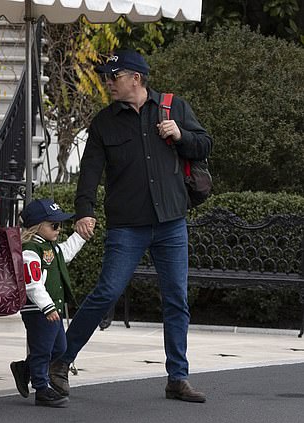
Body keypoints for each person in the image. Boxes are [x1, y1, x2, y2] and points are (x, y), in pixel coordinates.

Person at [48, 50, 213, 403]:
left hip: (171, 222)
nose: (108, 83)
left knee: (176, 300)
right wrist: (84, 210)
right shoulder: (104, 122)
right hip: (127, 226)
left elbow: (205, 145)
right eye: (107, 77)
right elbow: (89, 171)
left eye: (113, 77)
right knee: (106, 293)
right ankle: (59, 362)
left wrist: (180, 133)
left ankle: (177, 378)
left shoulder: (173, 107)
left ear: (135, 79)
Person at [9, 199, 87, 408]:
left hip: (51, 309)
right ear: (37, 226)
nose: (59, 229)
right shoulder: (30, 250)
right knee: (42, 349)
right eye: (54, 225)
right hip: (38, 310)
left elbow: (66, 253)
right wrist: (47, 306)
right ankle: (41, 388)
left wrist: (80, 236)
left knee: (59, 348)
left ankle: (25, 368)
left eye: (60, 225)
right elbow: (32, 283)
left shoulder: (49, 247)